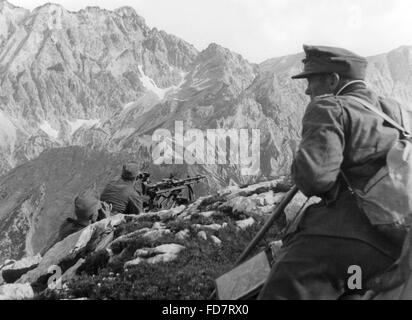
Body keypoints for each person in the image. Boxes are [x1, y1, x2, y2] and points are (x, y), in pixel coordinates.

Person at [258, 45, 409, 300]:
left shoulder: (329, 107)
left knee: (286, 280)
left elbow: (315, 179)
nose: (307, 90)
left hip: (367, 223)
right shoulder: (395, 109)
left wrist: (303, 156)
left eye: (311, 80)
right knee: (351, 283)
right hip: (403, 232)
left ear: (333, 80)